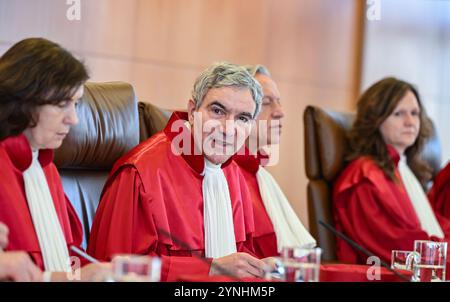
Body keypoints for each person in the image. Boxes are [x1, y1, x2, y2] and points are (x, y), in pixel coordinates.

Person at [88, 62, 273, 281]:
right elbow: (116, 271)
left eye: (242, 118)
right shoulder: (140, 173)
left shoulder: (233, 174)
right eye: (217, 111)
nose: (228, 129)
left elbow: (238, 257)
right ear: (193, 111)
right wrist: (210, 268)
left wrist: (259, 268)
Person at [0, 38, 110, 281]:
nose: (74, 119)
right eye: (62, 104)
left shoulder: (46, 167)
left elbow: (61, 263)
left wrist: (97, 272)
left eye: (76, 104)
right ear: (22, 102)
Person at [333, 77, 450, 264]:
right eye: (398, 114)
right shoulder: (365, 176)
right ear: (375, 120)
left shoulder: (404, 169)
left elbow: (437, 226)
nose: (410, 121)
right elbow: (400, 249)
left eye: (415, 113)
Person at [233, 65, 315, 258]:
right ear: (239, 112)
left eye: (279, 102)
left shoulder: (261, 175)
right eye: (267, 102)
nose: (280, 112)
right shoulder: (223, 175)